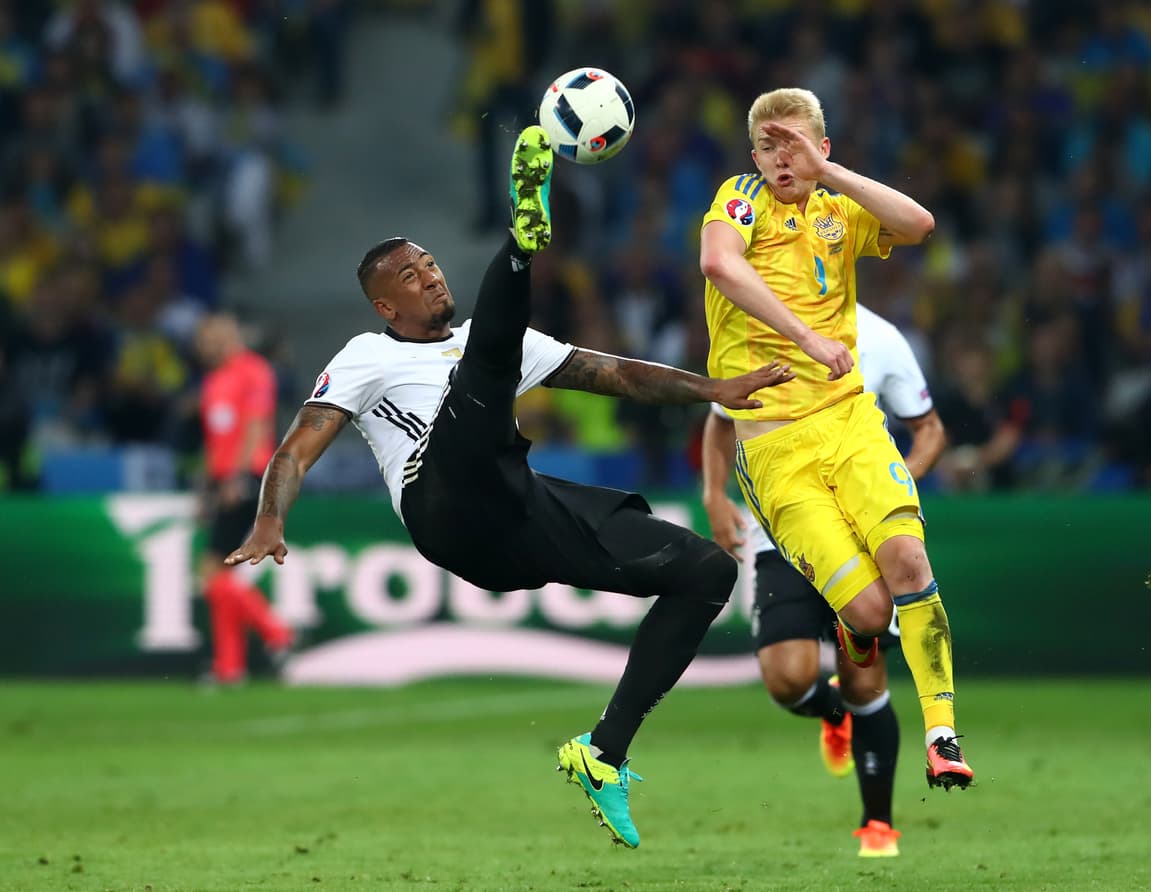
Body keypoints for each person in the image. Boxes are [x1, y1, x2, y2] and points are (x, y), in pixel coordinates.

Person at [224, 126, 794, 849]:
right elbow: (296, 448)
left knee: (706, 572)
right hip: (444, 505)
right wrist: (271, 518)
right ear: (384, 307)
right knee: (482, 378)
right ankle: (522, 242)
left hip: (515, 513)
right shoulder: (365, 357)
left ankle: (605, 752)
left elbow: (614, 373)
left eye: (429, 263)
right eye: (409, 274)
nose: (429, 275)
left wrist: (716, 386)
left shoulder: (499, 343)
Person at [698, 87, 973, 790]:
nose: (776, 160)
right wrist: (807, 339)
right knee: (870, 614)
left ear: (820, 147)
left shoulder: (837, 209)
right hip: (776, 446)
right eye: (765, 146)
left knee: (909, 562)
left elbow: (919, 223)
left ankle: (942, 732)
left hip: (850, 422)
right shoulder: (738, 200)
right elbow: (719, 266)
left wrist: (833, 173)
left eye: (790, 144)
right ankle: (855, 649)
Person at [702, 302, 946, 857]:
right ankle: (829, 713)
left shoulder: (882, 337)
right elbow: (720, 417)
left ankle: (877, 825)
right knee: (786, 680)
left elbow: (929, 429)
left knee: (865, 681)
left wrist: (888, 486)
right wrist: (714, 495)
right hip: (780, 536)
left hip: (858, 540)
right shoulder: (753, 324)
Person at [195, 313, 294, 685]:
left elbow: (256, 426)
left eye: (211, 337)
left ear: (230, 335)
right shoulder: (214, 379)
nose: (204, 345)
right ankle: (231, 666)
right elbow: (215, 439)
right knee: (220, 575)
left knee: (212, 572)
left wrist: (238, 477)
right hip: (224, 481)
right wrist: (207, 488)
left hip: (248, 477)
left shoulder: (254, 371)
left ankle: (275, 633)